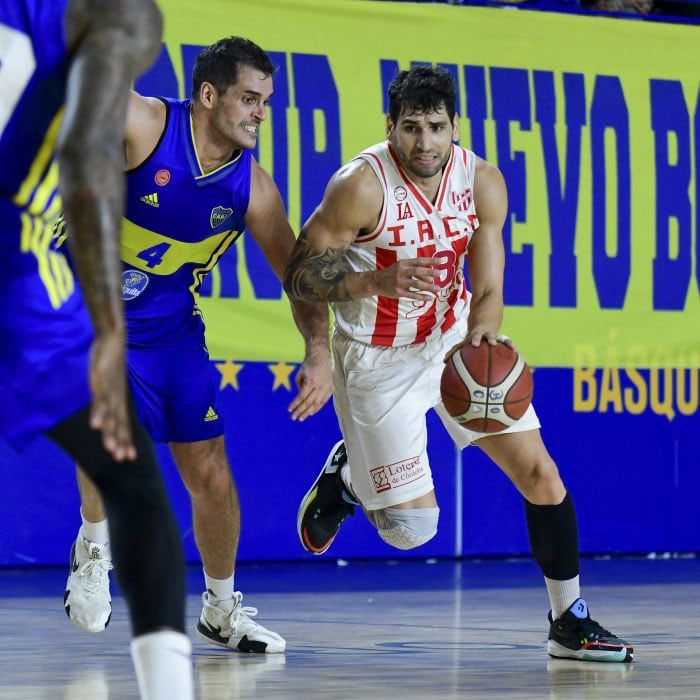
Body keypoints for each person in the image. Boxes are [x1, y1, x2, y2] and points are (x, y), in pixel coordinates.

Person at [284, 66, 634, 664]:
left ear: (454, 127)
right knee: (411, 532)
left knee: (541, 476)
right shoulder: (360, 187)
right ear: (390, 127)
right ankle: (348, 479)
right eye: (411, 128)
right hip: (375, 356)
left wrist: (480, 341)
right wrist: (377, 279)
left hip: (450, 340)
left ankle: (568, 621)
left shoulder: (483, 182)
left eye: (436, 127)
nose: (424, 142)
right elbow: (299, 276)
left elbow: (490, 286)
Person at [58, 35, 332, 653]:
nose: (260, 112)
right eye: (249, 98)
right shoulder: (145, 123)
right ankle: (95, 550)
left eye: (266, 101)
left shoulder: (253, 190)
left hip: (167, 327)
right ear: (208, 96)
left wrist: (318, 351)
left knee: (209, 472)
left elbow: (299, 277)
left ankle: (220, 607)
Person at [0, 0, 193, 697]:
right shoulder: (114, 12)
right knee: (132, 481)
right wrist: (110, 330)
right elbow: (86, 156)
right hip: (16, 268)